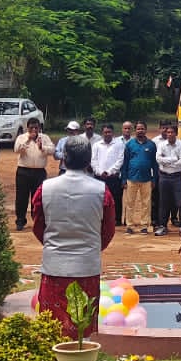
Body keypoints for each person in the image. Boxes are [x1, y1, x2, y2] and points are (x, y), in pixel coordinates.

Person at [31, 136, 116, 338]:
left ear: (64, 158)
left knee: (52, 328)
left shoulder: (45, 188)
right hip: (87, 267)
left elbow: (38, 225)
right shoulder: (102, 191)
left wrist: (52, 243)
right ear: (88, 160)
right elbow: (108, 230)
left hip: (54, 266)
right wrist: (92, 247)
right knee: (82, 329)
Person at [13, 120, 55, 231]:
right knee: (21, 197)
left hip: (39, 172)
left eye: (36, 128)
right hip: (23, 171)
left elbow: (52, 150)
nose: (34, 130)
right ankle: (20, 220)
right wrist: (28, 140)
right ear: (27, 128)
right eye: (32, 128)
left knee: (38, 197)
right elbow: (16, 149)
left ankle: (37, 220)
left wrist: (42, 147)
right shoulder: (22, 137)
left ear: (39, 128)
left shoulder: (44, 137)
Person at [121, 124, 157, 233]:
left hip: (146, 178)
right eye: (138, 129)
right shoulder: (129, 144)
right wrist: (124, 179)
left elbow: (154, 164)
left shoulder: (151, 145)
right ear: (135, 130)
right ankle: (130, 225)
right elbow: (125, 162)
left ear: (145, 130)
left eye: (142, 128)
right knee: (130, 203)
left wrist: (154, 179)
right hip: (131, 178)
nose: (140, 130)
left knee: (146, 203)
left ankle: (144, 225)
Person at [153, 124, 181, 235]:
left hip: (176, 177)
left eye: (172, 132)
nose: (170, 134)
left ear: (176, 133)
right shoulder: (162, 145)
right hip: (164, 176)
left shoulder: (180, 145)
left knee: (179, 202)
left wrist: (167, 162)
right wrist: (173, 159)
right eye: (168, 132)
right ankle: (163, 226)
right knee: (163, 202)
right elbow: (158, 159)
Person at [92, 124, 126, 228]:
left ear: (113, 133)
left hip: (113, 177)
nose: (107, 134)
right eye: (105, 132)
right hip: (99, 177)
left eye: (109, 132)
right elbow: (93, 160)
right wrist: (100, 172)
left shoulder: (119, 144)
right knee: (99, 199)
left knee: (116, 198)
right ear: (102, 133)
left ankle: (116, 220)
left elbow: (120, 160)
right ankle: (100, 219)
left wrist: (109, 172)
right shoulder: (96, 145)